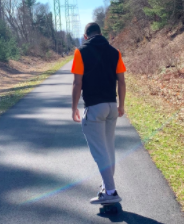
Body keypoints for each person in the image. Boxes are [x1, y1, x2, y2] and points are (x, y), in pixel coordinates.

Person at [71, 22, 126, 204]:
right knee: (108, 148)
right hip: (111, 105)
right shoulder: (115, 52)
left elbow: (77, 83)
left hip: (94, 108)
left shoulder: (80, 52)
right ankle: (106, 187)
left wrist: (74, 108)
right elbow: (122, 82)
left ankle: (110, 191)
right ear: (101, 34)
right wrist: (121, 105)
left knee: (99, 152)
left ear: (86, 36)